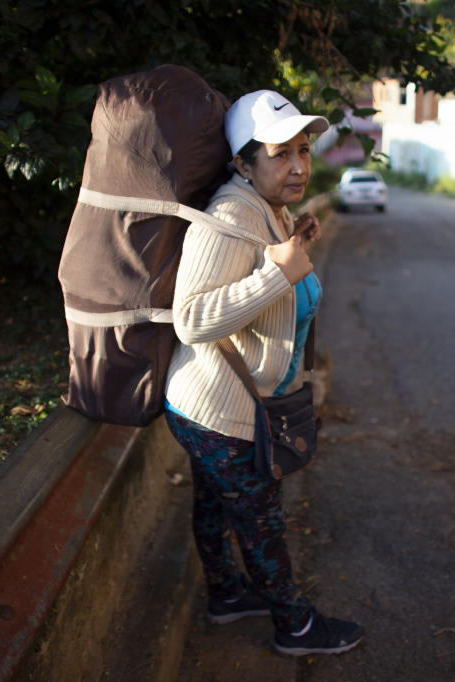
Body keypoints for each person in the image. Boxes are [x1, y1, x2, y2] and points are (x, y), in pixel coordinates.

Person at [163, 89, 363, 655]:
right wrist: (277, 275)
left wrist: (291, 245)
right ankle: (296, 626)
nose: (299, 165)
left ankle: (226, 594)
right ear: (242, 163)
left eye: (302, 150)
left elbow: (268, 273)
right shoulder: (229, 216)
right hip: (219, 412)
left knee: (213, 504)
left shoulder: (266, 209)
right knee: (261, 522)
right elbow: (191, 317)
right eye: (280, 153)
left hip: (212, 406)